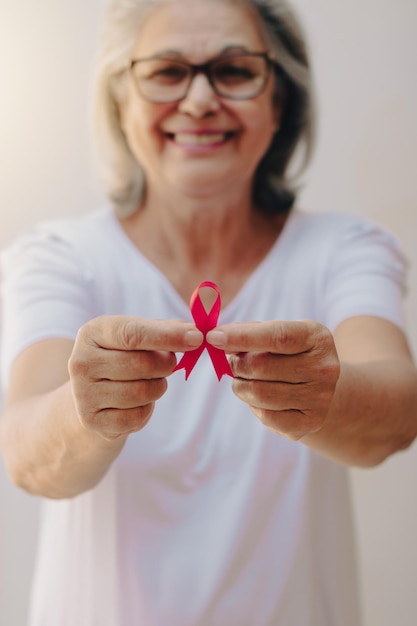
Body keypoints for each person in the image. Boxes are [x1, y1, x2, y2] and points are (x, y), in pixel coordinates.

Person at [1, 0, 416, 624]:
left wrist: (328, 392)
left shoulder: (346, 250)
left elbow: (396, 412)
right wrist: (82, 409)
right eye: (167, 71)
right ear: (121, 102)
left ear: (281, 102)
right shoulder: (59, 257)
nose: (198, 100)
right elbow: (27, 455)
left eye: (234, 70)